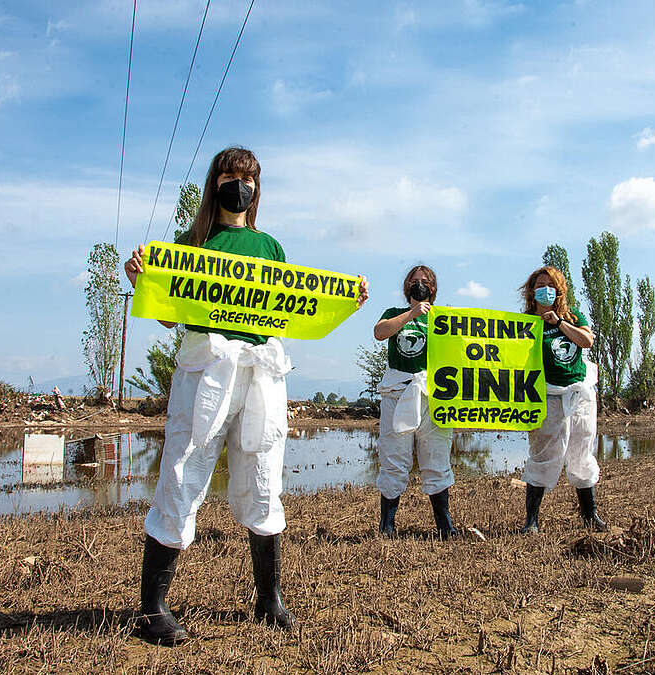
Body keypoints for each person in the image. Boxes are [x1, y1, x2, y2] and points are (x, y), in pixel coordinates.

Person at [124, 147, 367, 644]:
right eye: (231, 175)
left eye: (249, 177)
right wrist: (141, 282)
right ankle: (152, 608)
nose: (240, 183)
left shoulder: (271, 248)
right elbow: (173, 315)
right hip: (207, 367)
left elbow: (292, 307)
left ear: (257, 187)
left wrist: (345, 299)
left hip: (262, 373)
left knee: (262, 473)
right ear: (216, 182)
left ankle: (269, 598)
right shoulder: (190, 243)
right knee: (183, 469)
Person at [519, 266, 607, 533]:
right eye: (539, 284)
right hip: (545, 395)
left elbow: (587, 341)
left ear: (559, 290)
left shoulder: (572, 316)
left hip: (578, 393)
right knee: (543, 453)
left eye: (550, 284)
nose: (545, 289)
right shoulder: (525, 322)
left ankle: (589, 515)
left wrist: (558, 322)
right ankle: (531, 521)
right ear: (531, 291)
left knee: (581, 450)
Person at [372, 266, 457, 539]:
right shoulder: (393, 314)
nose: (419, 284)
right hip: (397, 392)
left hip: (433, 395)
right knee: (394, 458)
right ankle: (387, 525)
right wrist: (411, 314)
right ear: (407, 286)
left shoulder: (443, 320)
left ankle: (444, 525)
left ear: (433, 288)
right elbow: (379, 332)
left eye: (425, 281)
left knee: (437, 456)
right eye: (414, 280)